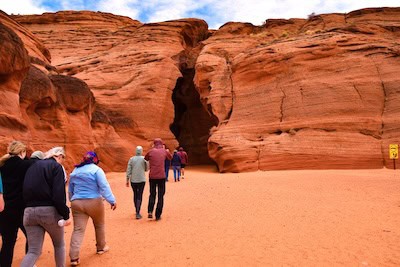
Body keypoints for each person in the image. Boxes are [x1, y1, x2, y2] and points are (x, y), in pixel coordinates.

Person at [21, 147, 71, 267]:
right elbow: (58, 195)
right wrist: (66, 214)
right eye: (62, 159)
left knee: (33, 251)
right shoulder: (56, 167)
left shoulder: (32, 167)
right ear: (59, 156)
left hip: (29, 212)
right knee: (59, 245)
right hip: (49, 212)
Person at [69, 151, 117, 266]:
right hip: (94, 201)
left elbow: (70, 189)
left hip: (77, 202)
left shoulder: (75, 171)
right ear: (95, 159)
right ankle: (101, 247)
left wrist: (72, 200)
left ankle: (74, 258)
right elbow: (104, 186)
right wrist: (112, 200)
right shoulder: (96, 170)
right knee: (99, 225)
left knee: (78, 230)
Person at [0, 141, 35, 267]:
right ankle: (28, 263)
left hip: (4, 210)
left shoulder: (2, 165)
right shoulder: (26, 165)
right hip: (22, 210)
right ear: (22, 152)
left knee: (7, 243)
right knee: (32, 239)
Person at [145, 138, 172, 221]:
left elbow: (146, 158)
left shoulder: (151, 151)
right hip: (161, 176)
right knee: (161, 196)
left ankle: (150, 211)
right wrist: (165, 150)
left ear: (154, 144)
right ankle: (158, 215)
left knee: (152, 194)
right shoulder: (164, 151)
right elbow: (170, 157)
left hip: (152, 176)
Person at [126, 146, 149, 219]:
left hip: (133, 180)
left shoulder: (131, 159)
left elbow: (128, 170)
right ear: (141, 151)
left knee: (135, 194)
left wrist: (127, 179)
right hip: (142, 180)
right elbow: (146, 169)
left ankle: (136, 209)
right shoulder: (144, 159)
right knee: (140, 195)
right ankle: (138, 212)